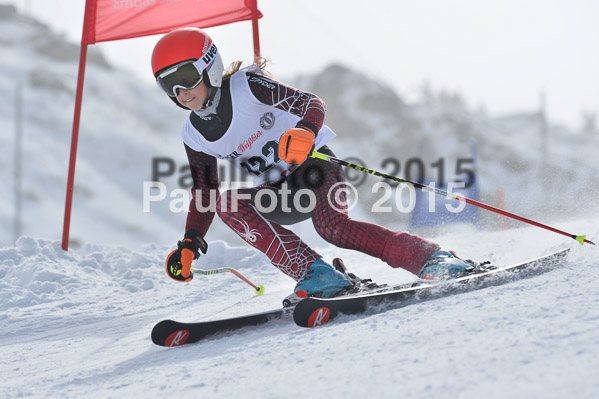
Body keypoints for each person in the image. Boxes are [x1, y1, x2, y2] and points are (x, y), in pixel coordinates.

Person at [153, 27, 472, 300]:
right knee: (227, 203)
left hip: (316, 170)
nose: (180, 92)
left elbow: (310, 103)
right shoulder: (193, 133)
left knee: (334, 228)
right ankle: (318, 274)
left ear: (209, 66)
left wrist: (305, 129)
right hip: (277, 193)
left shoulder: (246, 85)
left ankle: (434, 258)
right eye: (169, 85)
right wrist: (191, 242)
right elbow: (205, 191)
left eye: (185, 77)